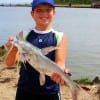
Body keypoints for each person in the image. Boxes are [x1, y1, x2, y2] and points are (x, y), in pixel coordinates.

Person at [5, 0, 69, 100]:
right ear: (32, 13)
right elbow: (9, 63)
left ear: (54, 13)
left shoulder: (59, 37)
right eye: (39, 10)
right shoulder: (23, 35)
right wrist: (13, 48)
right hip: (24, 90)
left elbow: (60, 62)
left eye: (48, 10)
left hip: (50, 92)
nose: (44, 14)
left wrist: (61, 72)